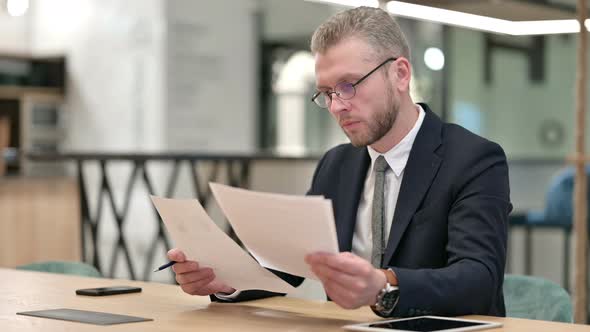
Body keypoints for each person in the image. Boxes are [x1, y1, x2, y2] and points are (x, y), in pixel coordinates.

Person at [167, 6, 512, 317]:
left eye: (348, 86)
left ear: (401, 75)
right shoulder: (337, 164)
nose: (336, 106)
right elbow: (290, 262)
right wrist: (224, 281)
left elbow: (478, 278)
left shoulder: (473, 159)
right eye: (327, 93)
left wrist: (384, 285)